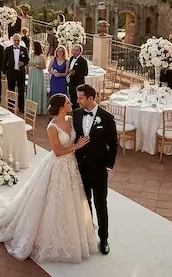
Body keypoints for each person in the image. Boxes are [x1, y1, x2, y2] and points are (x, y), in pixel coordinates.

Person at [0, 94, 97, 262]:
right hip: (58, 165)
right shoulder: (52, 127)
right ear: (61, 107)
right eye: (67, 102)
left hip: (71, 166)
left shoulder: (71, 120)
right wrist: (76, 146)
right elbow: (57, 152)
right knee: (51, 201)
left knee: (71, 201)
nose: (71, 103)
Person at [73, 84, 117, 255]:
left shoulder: (106, 118)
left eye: (81, 98)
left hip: (99, 169)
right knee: (85, 203)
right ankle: (88, 234)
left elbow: (113, 145)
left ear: (91, 98)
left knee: (101, 204)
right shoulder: (76, 115)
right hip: (80, 167)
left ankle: (104, 238)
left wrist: (108, 166)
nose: (78, 101)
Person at [3, 34, 29, 112]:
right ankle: (11, 107)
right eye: (15, 40)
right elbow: (4, 61)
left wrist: (23, 63)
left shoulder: (24, 49)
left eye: (18, 40)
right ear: (13, 41)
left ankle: (21, 107)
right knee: (11, 89)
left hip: (21, 73)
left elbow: (27, 60)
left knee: (21, 90)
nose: (17, 42)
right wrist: (3, 72)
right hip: (11, 72)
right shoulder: (8, 49)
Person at [26, 41, 48, 115]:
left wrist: (35, 65)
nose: (31, 47)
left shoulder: (41, 56)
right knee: (32, 89)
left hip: (38, 74)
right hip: (32, 74)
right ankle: (31, 108)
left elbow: (44, 67)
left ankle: (38, 109)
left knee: (37, 89)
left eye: (33, 45)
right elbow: (29, 63)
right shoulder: (32, 55)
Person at [67, 44, 89, 110]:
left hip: (78, 83)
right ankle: (74, 114)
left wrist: (75, 72)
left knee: (79, 101)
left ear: (80, 52)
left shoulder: (83, 61)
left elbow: (85, 73)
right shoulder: (71, 59)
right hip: (71, 83)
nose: (74, 52)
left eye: (76, 50)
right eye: (73, 50)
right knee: (73, 100)